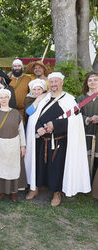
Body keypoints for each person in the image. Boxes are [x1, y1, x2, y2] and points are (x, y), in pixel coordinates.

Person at [25, 72, 91, 206]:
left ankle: (57, 193)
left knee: (57, 167)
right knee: (39, 165)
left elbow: (75, 122)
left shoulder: (69, 100)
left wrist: (55, 125)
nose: (54, 84)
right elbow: (33, 117)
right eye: (52, 82)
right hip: (41, 139)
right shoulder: (43, 98)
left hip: (59, 140)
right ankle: (35, 188)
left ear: (61, 83)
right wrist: (38, 127)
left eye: (56, 81)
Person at [0, 89, 26, 202]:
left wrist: (23, 146)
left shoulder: (16, 113)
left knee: (13, 169)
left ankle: (13, 192)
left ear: (9, 98)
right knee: (1, 169)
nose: (3, 99)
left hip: (14, 144)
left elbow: (21, 131)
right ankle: (1, 191)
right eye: (1, 97)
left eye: (5, 97)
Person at [77, 72, 98, 182]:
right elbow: (75, 116)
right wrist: (88, 119)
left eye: (95, 80)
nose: (93, 82)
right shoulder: (81, 99)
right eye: (90, 80)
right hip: (85, 133)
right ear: (87, 83)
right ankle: (84, 183)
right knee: (85, 159)